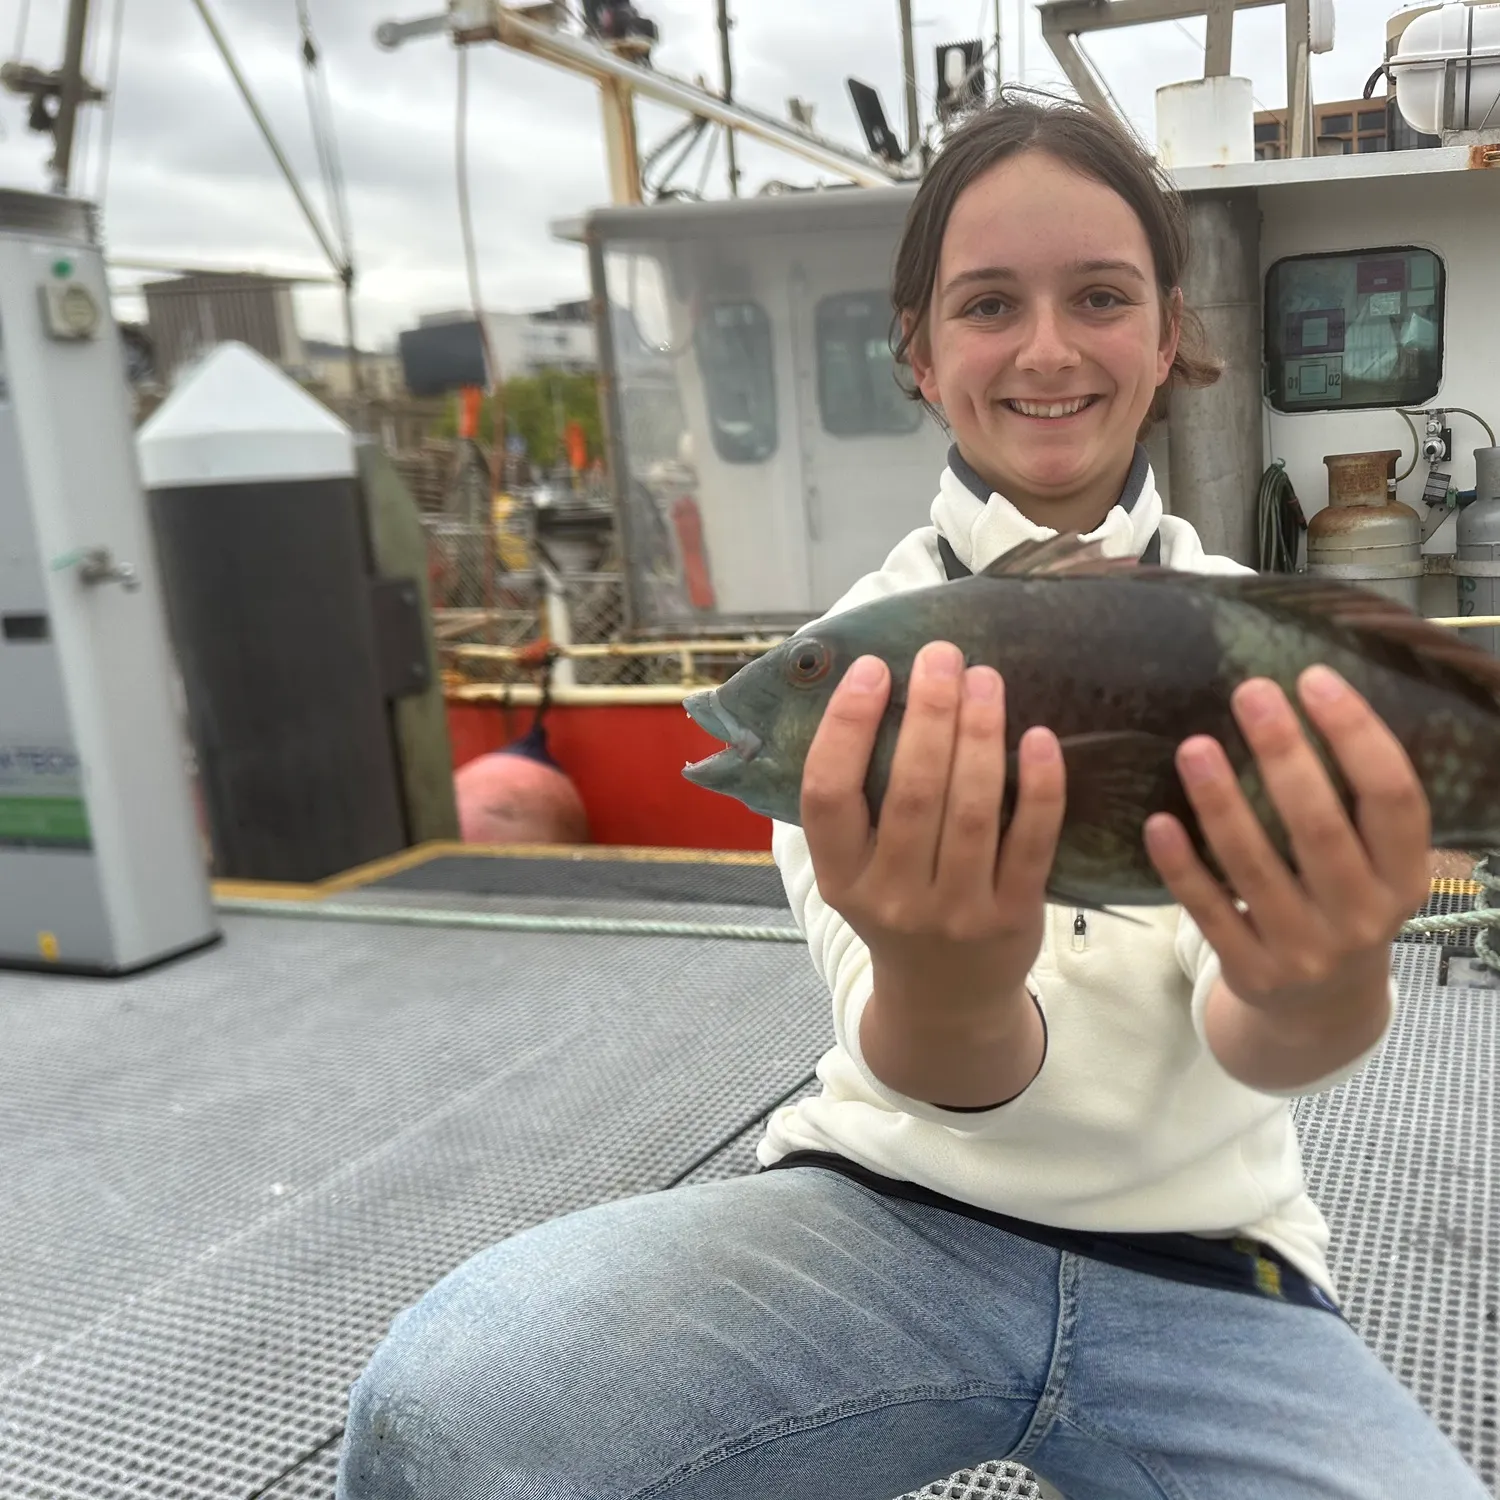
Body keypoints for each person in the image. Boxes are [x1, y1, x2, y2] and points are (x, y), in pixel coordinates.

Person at [335, 91, 1488, 1500]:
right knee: (447, 1415)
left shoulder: (1247, 637)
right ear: (921, 354)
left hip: (1213, 1263)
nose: (1047, 348)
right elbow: (938, 1068)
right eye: (989, 304)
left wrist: (1326, 975)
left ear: (1169, 334)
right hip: (889, 1213)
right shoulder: (852, 659)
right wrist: (947, 987)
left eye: (1101, 296)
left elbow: (1260, 1038)